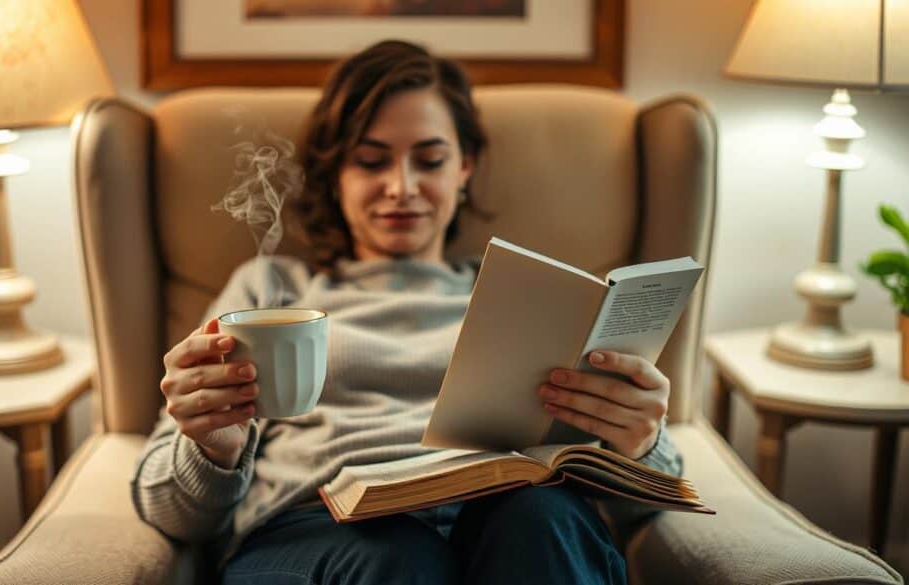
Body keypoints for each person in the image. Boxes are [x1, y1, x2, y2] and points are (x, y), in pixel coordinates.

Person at [132, 39, 681, 585]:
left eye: (431, 160)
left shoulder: (538, 297)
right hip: (318, 534)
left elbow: (649, 508)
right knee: (400, 557)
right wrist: (212, 448)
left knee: (543, 520)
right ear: (335, 174)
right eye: (370, 162)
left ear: (464, 168)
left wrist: (640, 442)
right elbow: (169, 512)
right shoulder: (271, 288)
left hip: (512, 526)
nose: (402, 187)